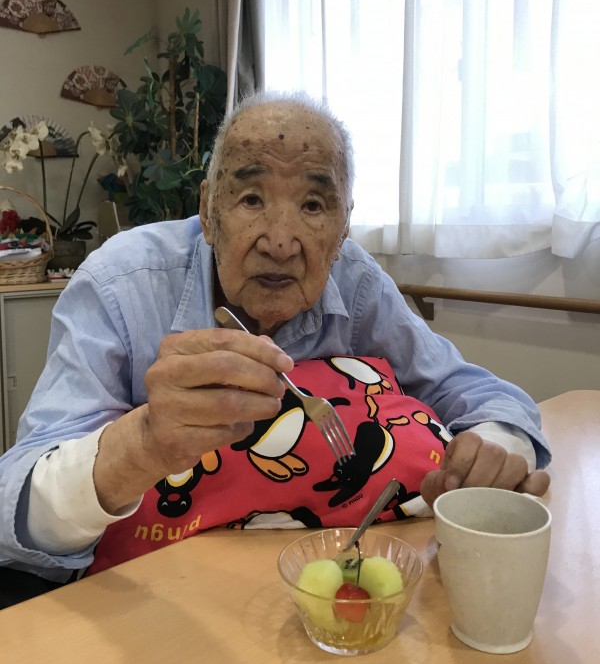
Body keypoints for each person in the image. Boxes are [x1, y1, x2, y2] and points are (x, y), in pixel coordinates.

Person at [0, 91, 550, 604]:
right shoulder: (120, 285)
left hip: (314, 589)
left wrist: (492, 451)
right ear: (209, 211)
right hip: (157, 599)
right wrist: (141, 445)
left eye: (313, 205)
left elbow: (474, 391)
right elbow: (14, 511)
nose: (281, 242)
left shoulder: (355, 282)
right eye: (251, 198)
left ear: (342, 226)